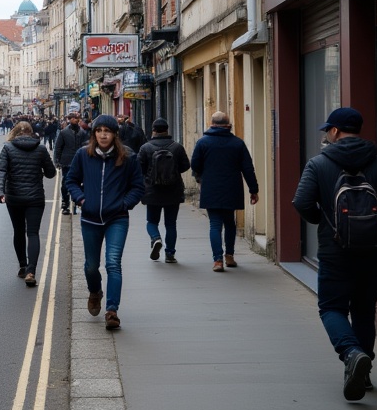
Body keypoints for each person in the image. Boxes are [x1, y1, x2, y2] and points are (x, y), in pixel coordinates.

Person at [293, 107, 377, 401]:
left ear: (334, 132)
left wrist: (323, 221)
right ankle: (365, 372)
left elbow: (301, 202)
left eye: (327, 130)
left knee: (331, 308)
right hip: (375, 251)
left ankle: (351, 353)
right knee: (363, 309)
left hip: (335, 250)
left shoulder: (318, 164)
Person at [65, 114, 143, 330]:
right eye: (99, 131)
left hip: (117, 219)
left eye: (107, 131)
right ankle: (95, 291)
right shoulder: (83, 155)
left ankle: (112, 311)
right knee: (91, 267)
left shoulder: (128, 157)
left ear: (114, 134)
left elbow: (138, 187)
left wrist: (124, 204)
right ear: (94, 134)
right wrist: (81, 199)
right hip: (90, 219)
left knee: (113, 263)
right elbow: (70, 180)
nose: (102, 135)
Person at [190, 111, 259, 272]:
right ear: (228, 125)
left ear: (212, 124)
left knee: (214, 225)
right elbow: (248, 168)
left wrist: (201, 176)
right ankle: (229, 256)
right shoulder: (237, 143)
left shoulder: (203, 143)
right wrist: (253, 190)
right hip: (232, 188)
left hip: (210, 188)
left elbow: (195, 164)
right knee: (229, 223)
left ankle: (217, 260)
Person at [0, 121, 57, 286]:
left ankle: (23, 266)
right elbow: (51, 173)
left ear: (15, 132)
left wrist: (0, 192)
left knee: (18, 231)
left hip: (14, 197)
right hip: (35, 197)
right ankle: (31, 271)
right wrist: (41, 169)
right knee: (33, 233)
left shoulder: (7, 148)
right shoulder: (41, 149)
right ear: (31, 133)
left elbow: (1, 171)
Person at [138, 118, 190, 263]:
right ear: (167, 129)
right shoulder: (177, 147)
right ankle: (170, 254)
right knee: (171, 224)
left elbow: (139, 168)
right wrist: (173, 171)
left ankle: (156, 238)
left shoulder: (146, 148)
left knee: (151, 221)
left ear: (153, 130)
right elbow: (186, 165)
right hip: (173, 190)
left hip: (152, 191)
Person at [53, 112, 88, 215]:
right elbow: (58, 147)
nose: (76, 120)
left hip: (79, 162)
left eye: (77, 118)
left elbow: (86, 146)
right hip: (67, 162)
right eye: (73, 118)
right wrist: (57, 161)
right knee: (65, 184)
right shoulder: (64, 132)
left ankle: (77, 201)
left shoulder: (82, 132)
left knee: (80, 183)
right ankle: (65, 203)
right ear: (69, 119)